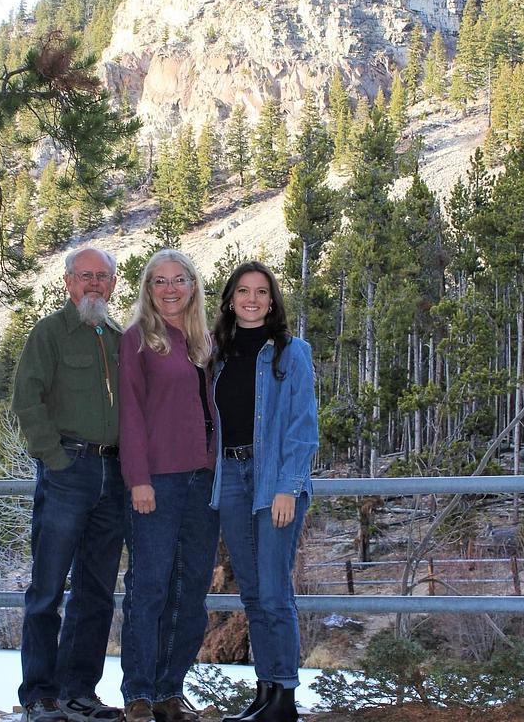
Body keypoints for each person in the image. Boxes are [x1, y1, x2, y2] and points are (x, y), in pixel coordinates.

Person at [12, 247, 125, 722]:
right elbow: (26, 398)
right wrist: (54, 459)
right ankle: (40, 695)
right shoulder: (50, 333)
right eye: (85, 276)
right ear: (67, 282)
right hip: (67, 470)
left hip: (114, 476)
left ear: (113, 284)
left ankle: (78, 693)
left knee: (97, 590)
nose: (94, 284)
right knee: (48, 587)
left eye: (102, 276)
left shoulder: (119, 338)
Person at [210, 261, 318, 722]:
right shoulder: (216, 353)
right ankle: (265, 691)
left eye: (260, 291)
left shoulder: (292, 353)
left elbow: (303, 426)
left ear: (272, 301)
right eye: (243, 291)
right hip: (230, 477)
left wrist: (288, 487)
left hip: (274, 479)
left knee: (274, 591)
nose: (251, 299)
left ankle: (285, 698)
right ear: (231, 299)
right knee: (252, 594)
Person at [118, 249, 219, 722]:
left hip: (205, 481)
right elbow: (130, 414)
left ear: (193, 286)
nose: (170, 288)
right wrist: (138, 479)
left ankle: (170, 692)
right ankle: (139, 693)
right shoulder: (138, 339)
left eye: (179, 279)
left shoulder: (206, 341)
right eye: (160, 281)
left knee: (192, 589)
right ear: (148, 289)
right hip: (157, 480)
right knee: (150, 587)